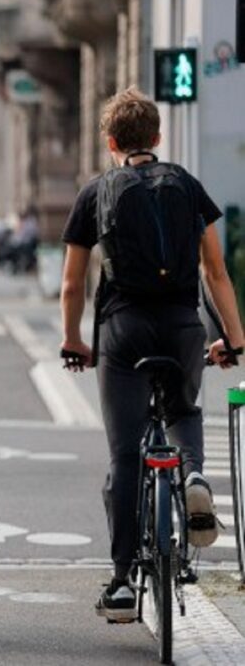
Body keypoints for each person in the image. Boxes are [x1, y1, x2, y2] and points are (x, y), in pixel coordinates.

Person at [59, 87, 245, 622]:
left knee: (123, 455)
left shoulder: (96, 191)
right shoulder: (186, 184)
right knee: (184, 412)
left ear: (111, 141)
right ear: (158, 138)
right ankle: (191, 478)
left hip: (124, 330)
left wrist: (74, 340)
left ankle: (121, 582)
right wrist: (234, 338)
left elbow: (73, 283)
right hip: (184, 326)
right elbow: (216, 271)